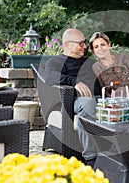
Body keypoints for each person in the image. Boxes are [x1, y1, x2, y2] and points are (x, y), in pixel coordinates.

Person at [43, 28, 100, 166]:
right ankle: (91, 158)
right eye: (81, 43)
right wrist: (74, 82)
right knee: (87, 104)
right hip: (73, 101)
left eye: (85, 43)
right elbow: (49, 77)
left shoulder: (90, 62)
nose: (85, 46)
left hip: (99, 99)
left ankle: (121, 152)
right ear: (68, 45)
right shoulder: (56, 61)